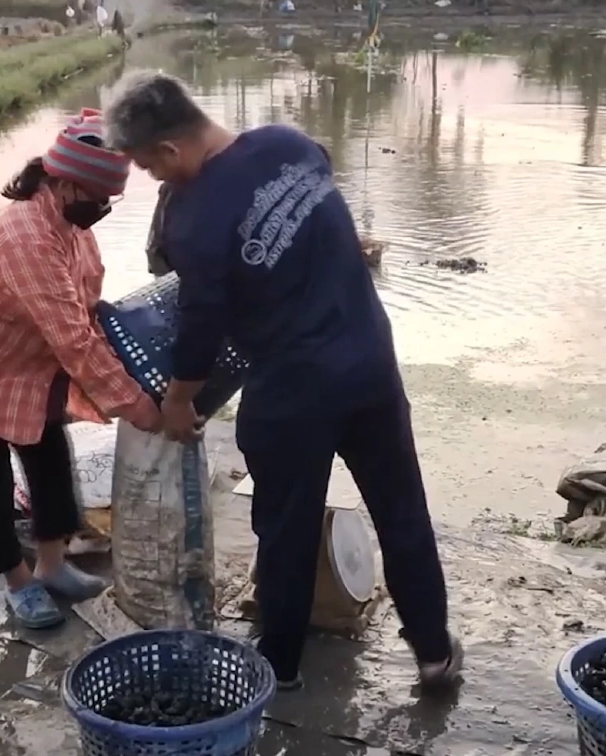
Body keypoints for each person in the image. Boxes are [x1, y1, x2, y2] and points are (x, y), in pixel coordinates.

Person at [102, 71, 463, 691]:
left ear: (169, 150)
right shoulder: (291, 144)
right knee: (402, 512)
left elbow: (201, 321)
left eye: (149, 168)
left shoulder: (192, 216)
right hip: (370, 364)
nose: (154, 179)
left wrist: (180, 400)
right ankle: (434, 655)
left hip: (292, 392)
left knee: (286, 532)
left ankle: (282, 670)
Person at [0, 109, 162, 631]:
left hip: (24, 363)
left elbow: (87, 311)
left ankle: (52, 567)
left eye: (109, 200)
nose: (102, 208)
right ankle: (19, 584)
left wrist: (130, 362)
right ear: (63, 182)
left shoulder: (71, 226)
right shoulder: (26, 238)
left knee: (51, 463)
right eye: (97, 197)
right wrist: (136, 406)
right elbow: (72, 339)